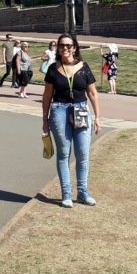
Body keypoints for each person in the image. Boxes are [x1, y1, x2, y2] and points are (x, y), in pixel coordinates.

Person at [42, 34, 101, 208]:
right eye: (62, 46)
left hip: (81, 110)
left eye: (69, 45)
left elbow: (92, 93)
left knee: (83, 153)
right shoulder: (53, 69)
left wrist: (97, 117)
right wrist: (45, 119)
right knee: (63, 154)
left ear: (75, 48)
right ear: (58, 48)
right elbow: (47, 96)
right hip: (59, 110)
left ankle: (82, 193)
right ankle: (66, 194)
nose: (65, 48)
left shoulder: (84, 67)